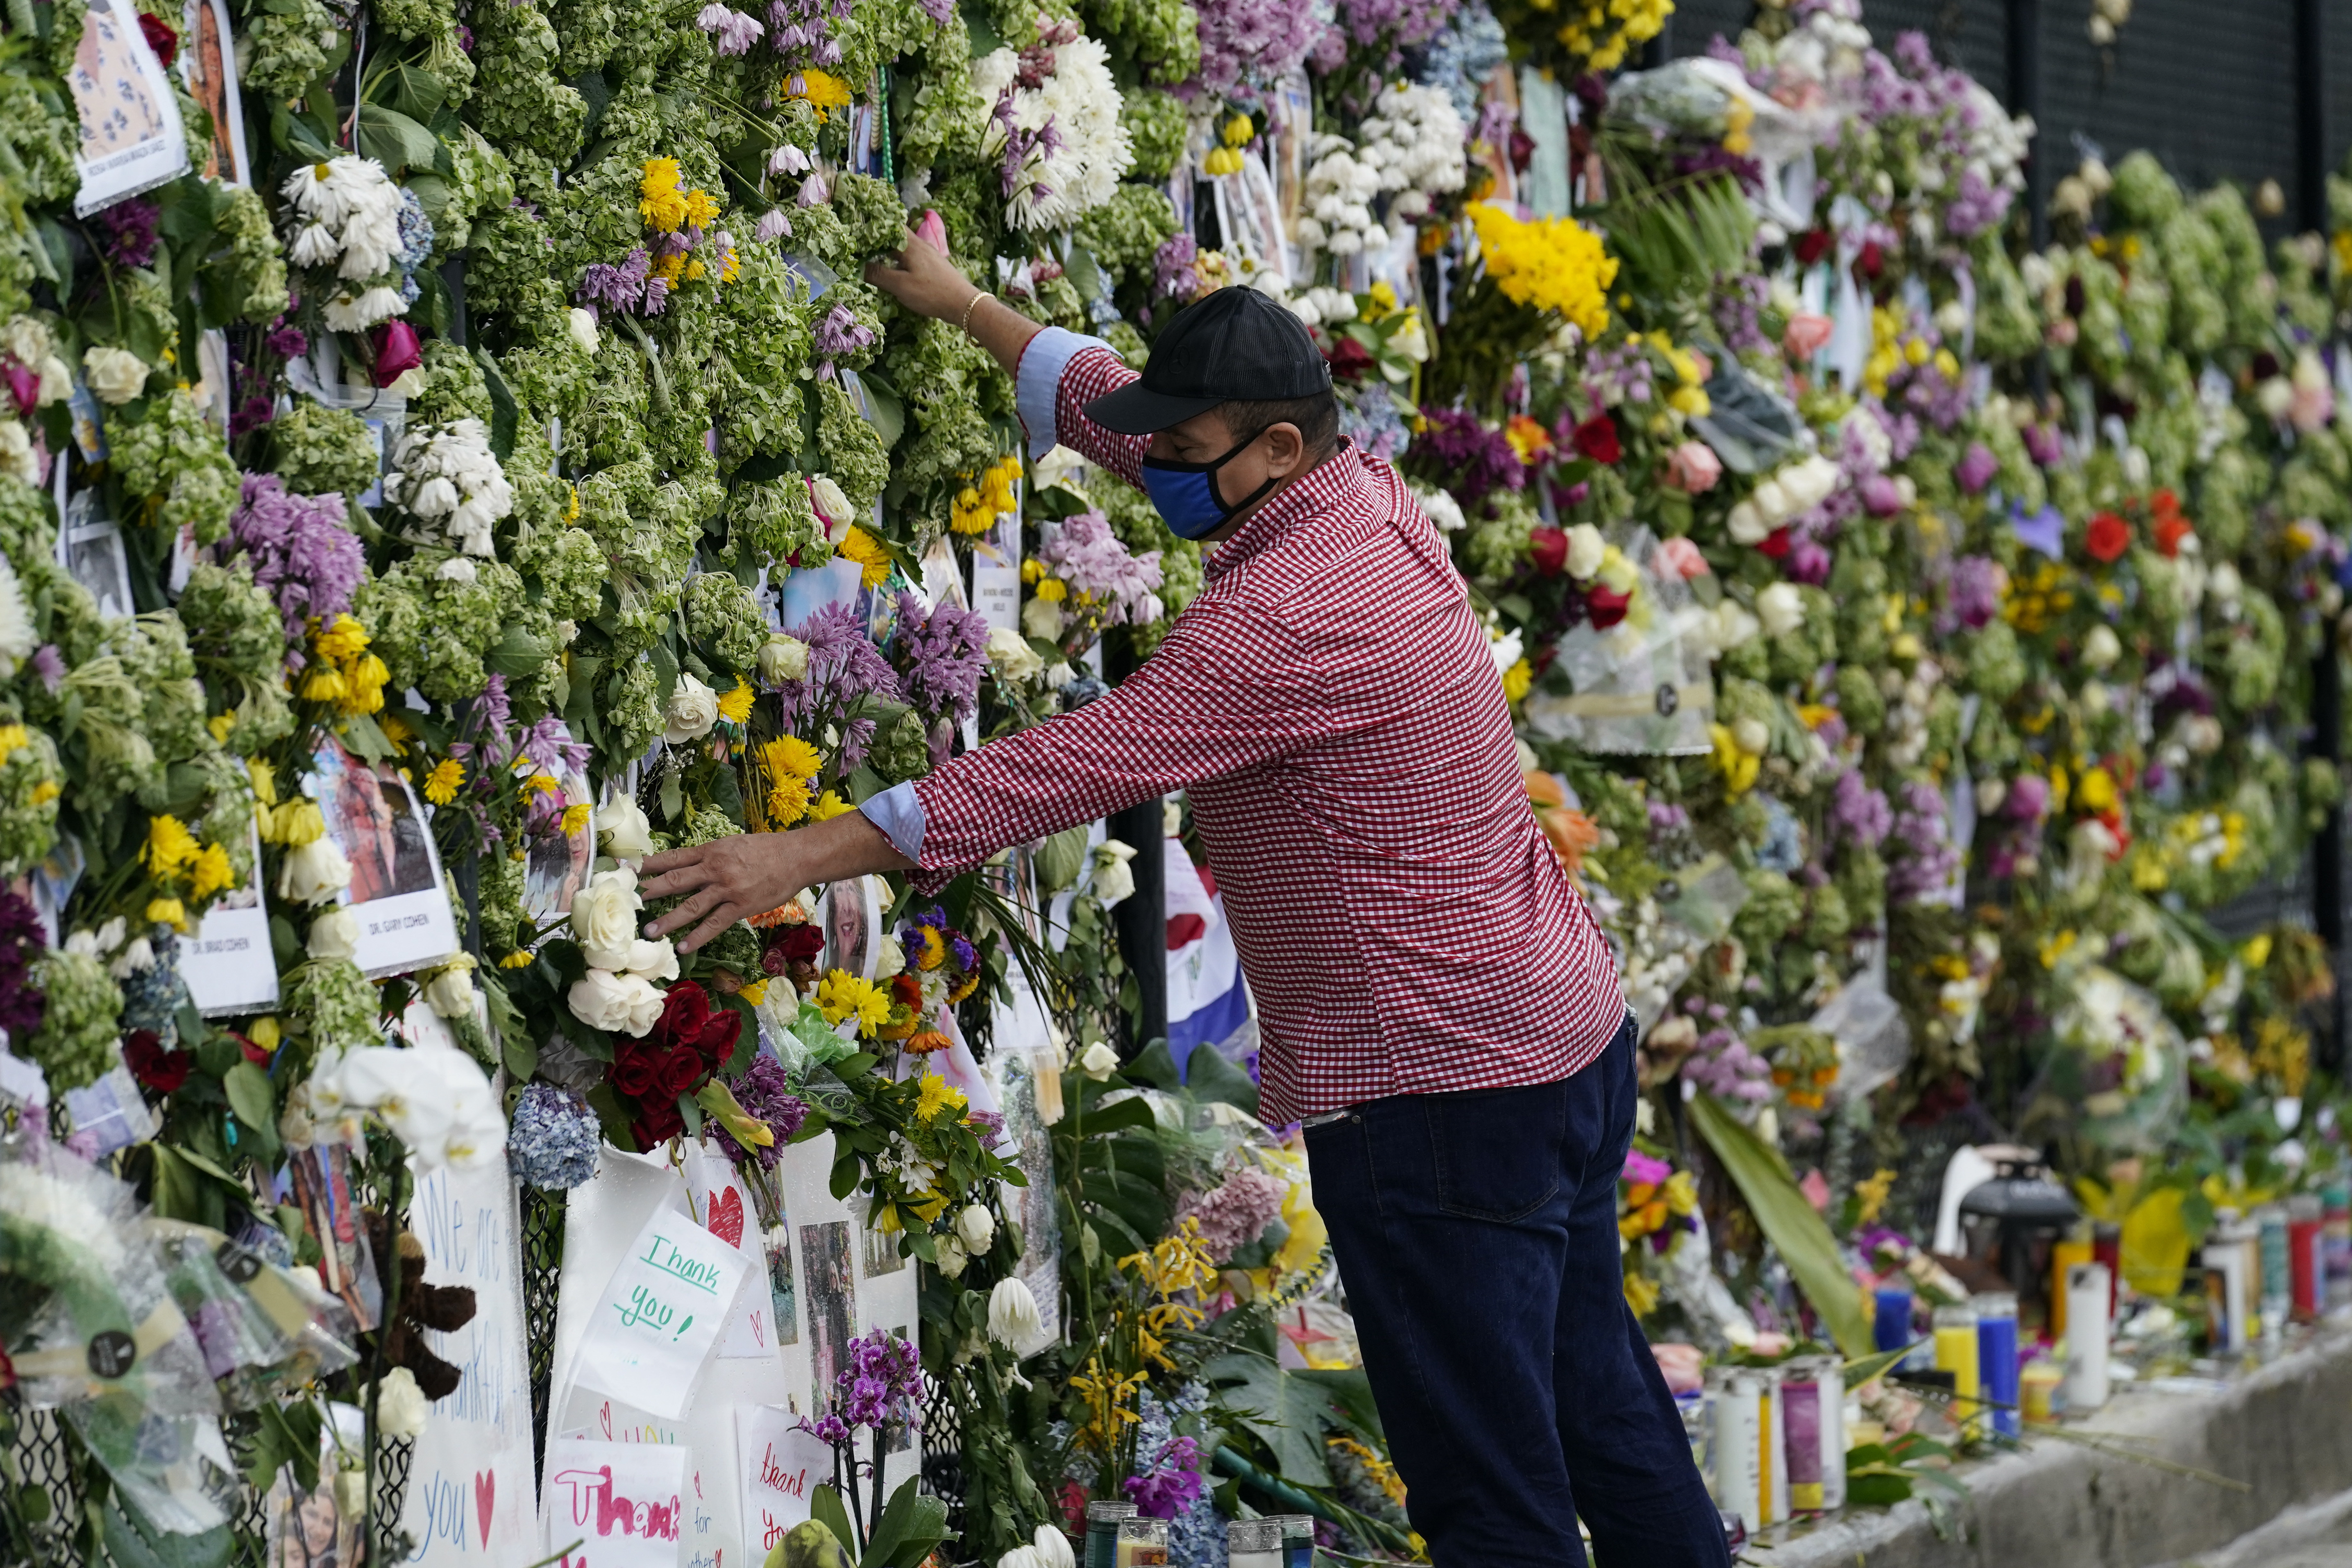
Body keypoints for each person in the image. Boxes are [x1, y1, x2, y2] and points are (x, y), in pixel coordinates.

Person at [641, 233, 1732, 1568]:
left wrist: (791, 856)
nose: (1155, 467)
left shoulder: (1286, 616)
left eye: (1187, 447)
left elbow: (1073, 763)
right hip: (1552, 1035)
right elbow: (1127, 414)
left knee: (1490, 1496)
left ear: (1274, 447)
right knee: (1601, 1405)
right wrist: (968, 303)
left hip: (1437, 1088)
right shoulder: (1358, 494)